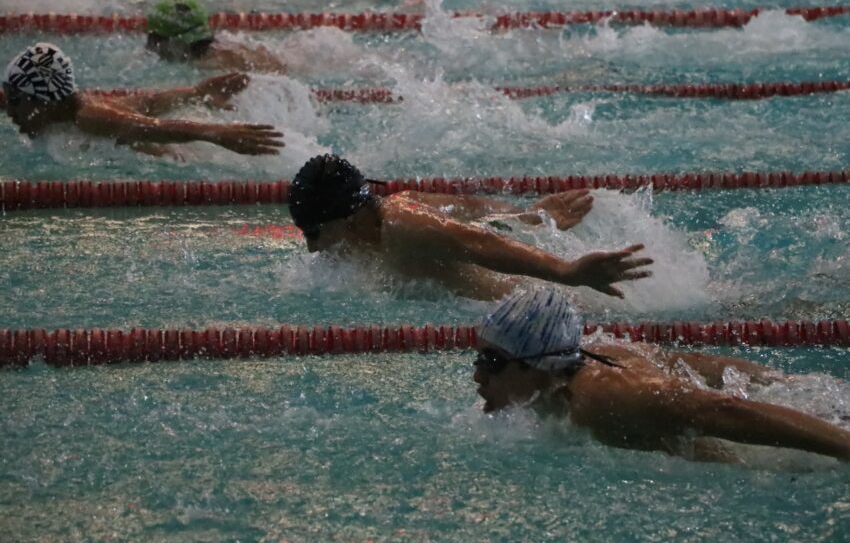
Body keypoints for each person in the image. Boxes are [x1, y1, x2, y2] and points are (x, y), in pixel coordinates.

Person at [473, 286, 850, 463]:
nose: (477, 377)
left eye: (492, 362)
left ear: (538, 365)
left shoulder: (604, 395)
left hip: (784, 451)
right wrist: (784, 383)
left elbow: (722, 410)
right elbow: (693, 364)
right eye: (478, 360)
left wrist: (840, 445)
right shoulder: (589, 358)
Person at [288, 154, 652, 300]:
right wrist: (527, 217)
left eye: (315, 232)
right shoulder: (391, 215)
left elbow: (476, 242)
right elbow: (468, 212)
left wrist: (566, 270)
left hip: (537, 301)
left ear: (346, 218)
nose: (312, 248)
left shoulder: (401, 224)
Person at [2, 42, 284, 157]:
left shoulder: (89, 117)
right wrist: (197, 93)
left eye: (16, 102)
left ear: (45, 100)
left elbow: (150, 126)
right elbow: (145, 102)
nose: (10, 110)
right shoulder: (74, 106)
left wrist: (215, 132)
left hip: (180, 160)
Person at [146, 0, 288, 74]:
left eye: (154, 39)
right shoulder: (220, 47)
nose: (150, 46)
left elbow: (280, 69)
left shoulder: (214, 65)